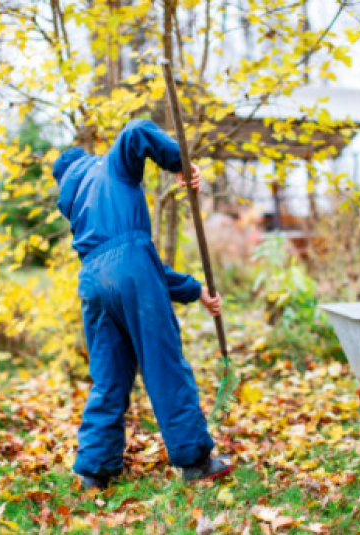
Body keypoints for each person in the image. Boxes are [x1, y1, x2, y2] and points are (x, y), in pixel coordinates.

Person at [52, 119, 234, 490]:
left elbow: (124, 257)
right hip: (131, 272)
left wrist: (193, 289)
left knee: (107, 378)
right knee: (163, 365)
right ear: (85, 160)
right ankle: (194, 460)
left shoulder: (79, 207)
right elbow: (136, 132)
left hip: (92, 284)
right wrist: (179, 163)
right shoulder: (108, 168)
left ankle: (94, 470)